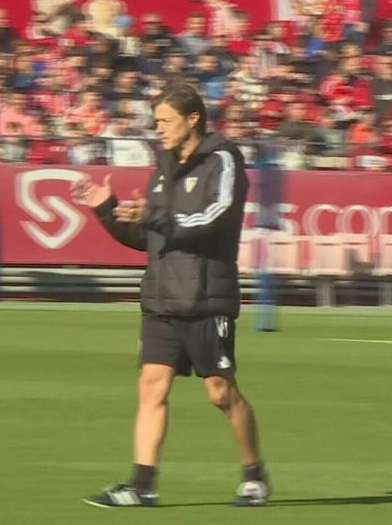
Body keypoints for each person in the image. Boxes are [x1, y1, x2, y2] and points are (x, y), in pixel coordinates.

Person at [71, 82, 268, 508]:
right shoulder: (162, 168)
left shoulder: (223, 160)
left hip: (204, 297)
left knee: (220, 392)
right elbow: (149, 237)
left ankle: (254, 475)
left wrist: (156, 216)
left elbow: (213, 219)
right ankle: (143, 486)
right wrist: (107, 209)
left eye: (165, 120)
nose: (157, 129)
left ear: (192, 118)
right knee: (151, 388)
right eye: (156, 121)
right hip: (161, 299)